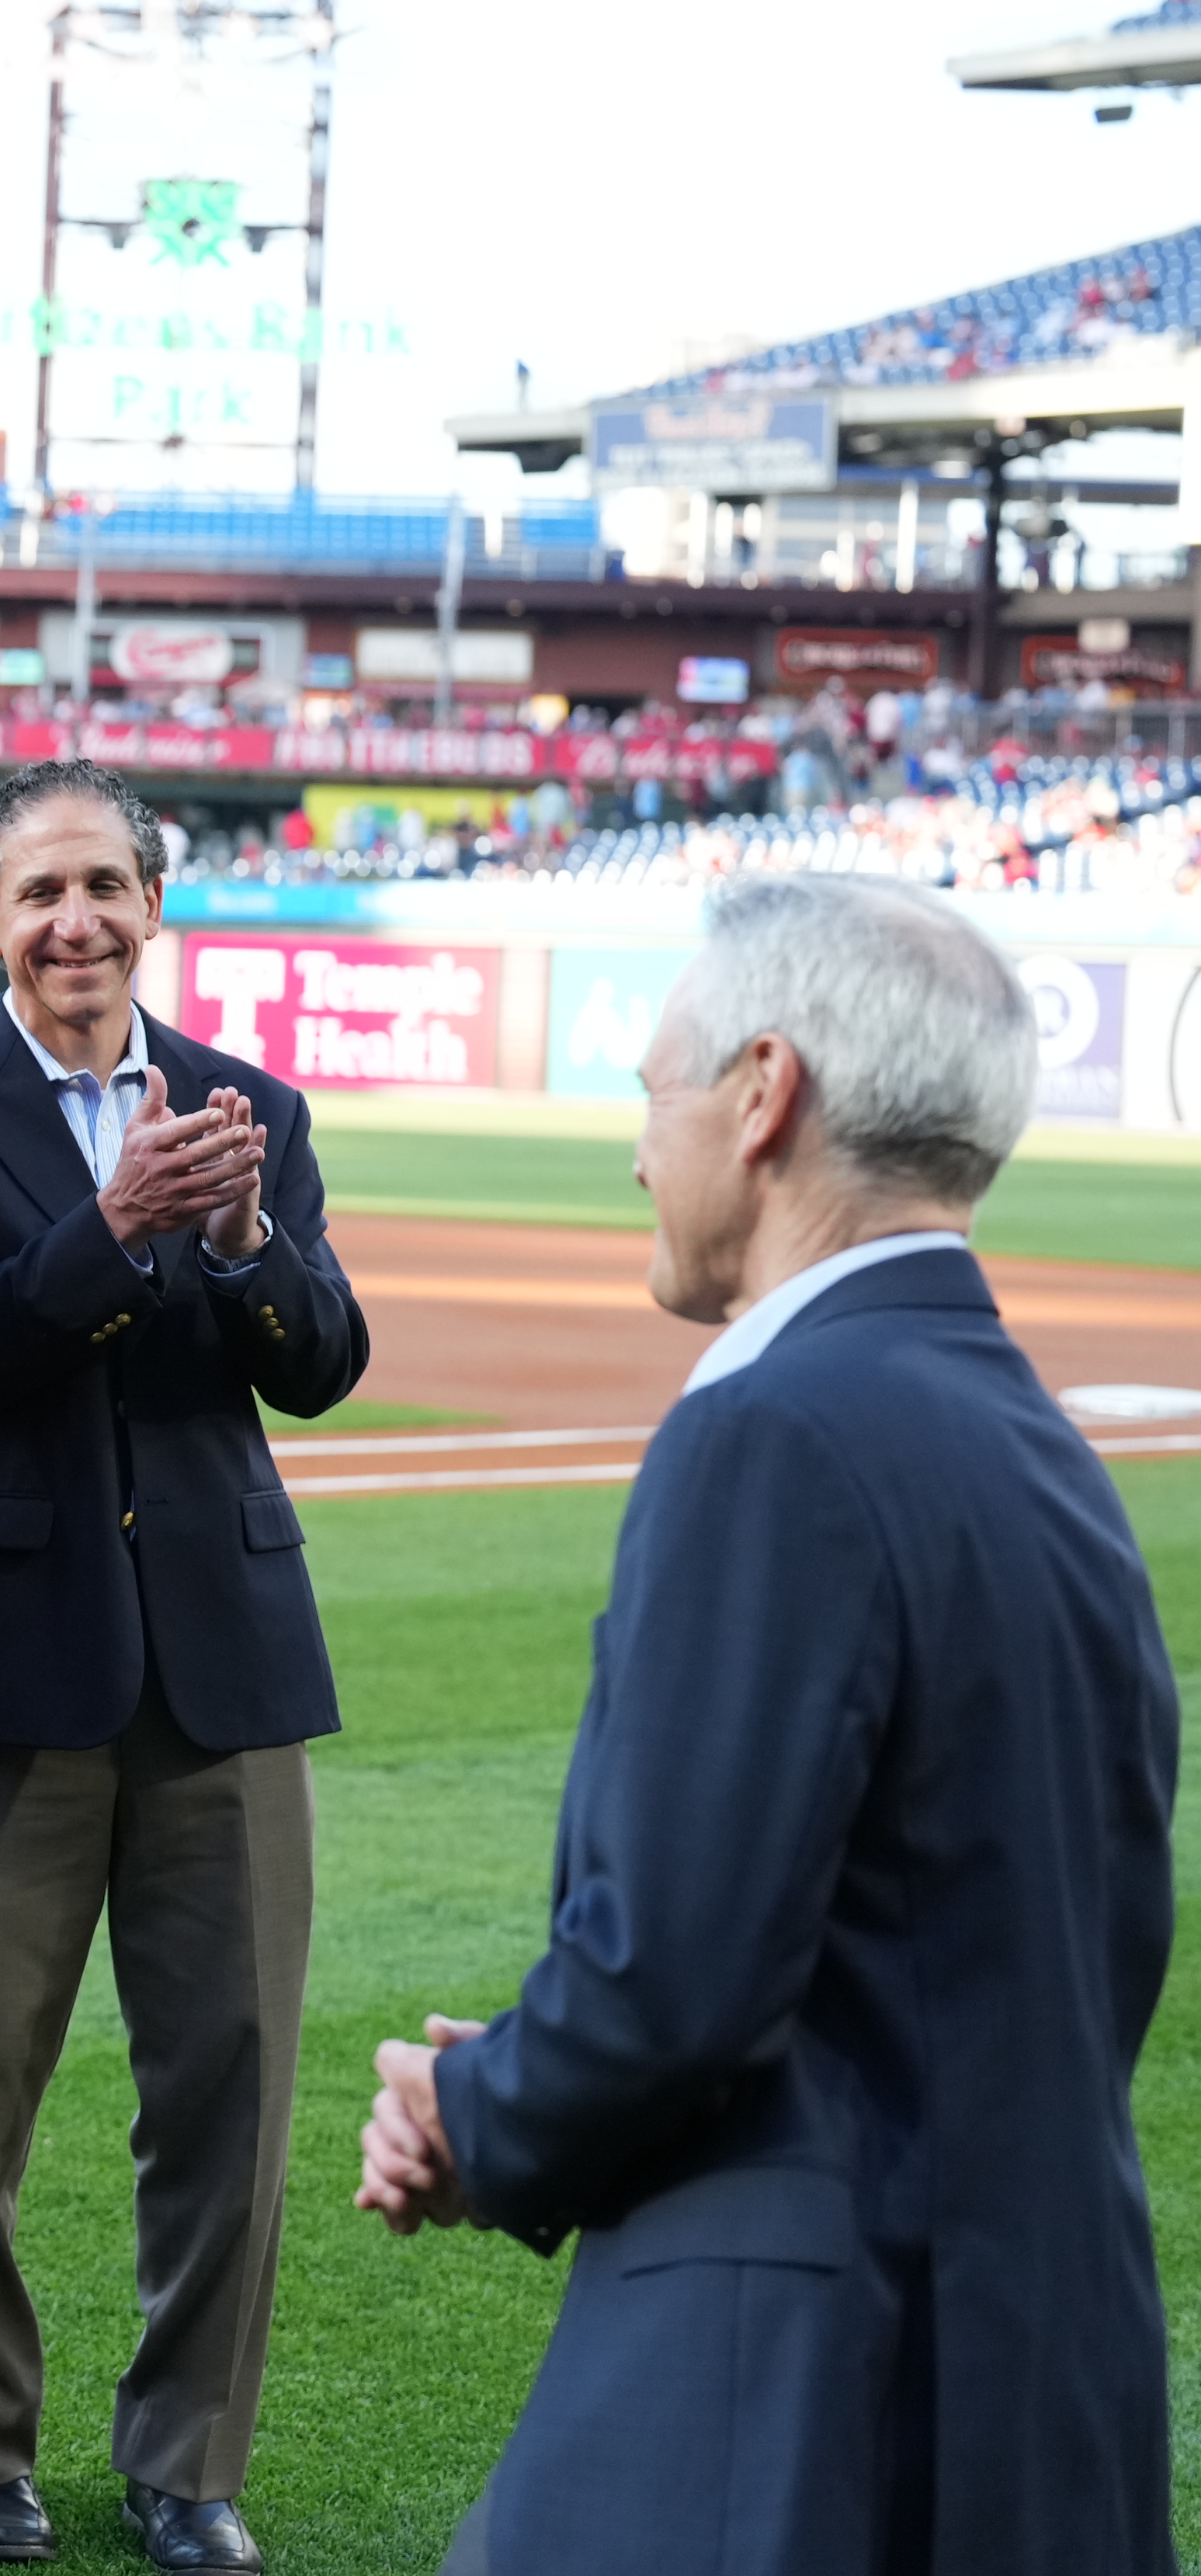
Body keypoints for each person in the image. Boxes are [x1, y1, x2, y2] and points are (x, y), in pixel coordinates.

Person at [355, 876, 1175, 2573]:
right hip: (1045, 2387)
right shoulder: (1051, 1459)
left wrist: (474, 2108)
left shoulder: (772, 1431)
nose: (636, 1153)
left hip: (800, 2397)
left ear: (762, 1094)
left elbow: (674, 1978)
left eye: (654, 1091)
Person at [0, 757, 369, 2575]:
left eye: (106, 886)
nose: (76, 921)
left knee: (231, 2088)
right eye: (40, 893)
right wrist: (120, 1225)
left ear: (154, 904)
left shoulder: (253, 1105)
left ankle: (188, 2465)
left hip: (227, 1664)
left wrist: (245, 1241)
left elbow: (320, 1362)